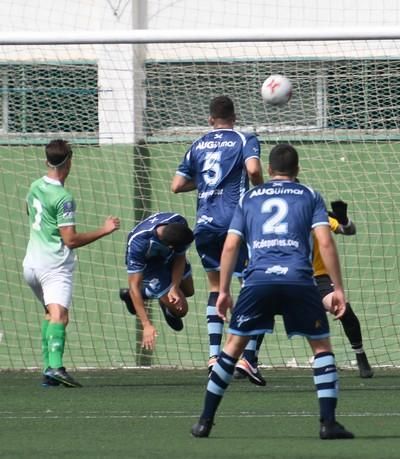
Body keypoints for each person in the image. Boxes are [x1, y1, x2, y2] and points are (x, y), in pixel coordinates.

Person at [191, 143, 354, 440]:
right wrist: (338, 288)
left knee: (232, 347)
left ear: (268, 170)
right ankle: (328, 424)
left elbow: (230, 245)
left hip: (257, 281)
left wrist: (224, 290)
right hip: (299, 280)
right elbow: (326, 243)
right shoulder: (309, 195)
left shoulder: (249, 197)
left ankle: (204, 421)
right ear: (297, 170)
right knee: (321, 347)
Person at [234, 198, 374, 385]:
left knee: (343, 308)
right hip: (288, 276)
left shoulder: (314, 214)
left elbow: (347, 230)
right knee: (262, 308)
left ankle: (360, 355)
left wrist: (344, 220)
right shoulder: (272, 221)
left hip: (318, 279)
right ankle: (249, 359)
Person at [171, 95, 263, 372]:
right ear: (234, 117)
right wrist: (259, 192)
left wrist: (206, 185)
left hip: (206, 225)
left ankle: (213, 356)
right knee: (253, 286)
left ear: (211, 120)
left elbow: (176, 185)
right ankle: (247, 357)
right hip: (237, 223)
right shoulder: (244, 138)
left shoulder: (198, 144)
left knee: (215, 287)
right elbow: (254, 169)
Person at [23, 139, 120, 387]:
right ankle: (55, 367)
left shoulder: (35, 186)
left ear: (47, 161)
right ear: (69, 162)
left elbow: (29, 211)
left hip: (31, 265)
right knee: (59, 315)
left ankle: (48, 370)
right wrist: (105, 230)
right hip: (53, 265)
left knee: (50, 313)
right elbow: (71, 239)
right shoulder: (63, 197)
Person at [119, 212, 195, 351]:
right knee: (181, 310)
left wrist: (174, 287)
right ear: (171, 246)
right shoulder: (139, 243)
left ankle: (158, 297)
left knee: (189, 290)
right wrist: (146, 324)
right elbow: (134, 285)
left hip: (168, 257)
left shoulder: (178, 222)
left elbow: (180, 258)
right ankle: (137, 295)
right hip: (151, 266)